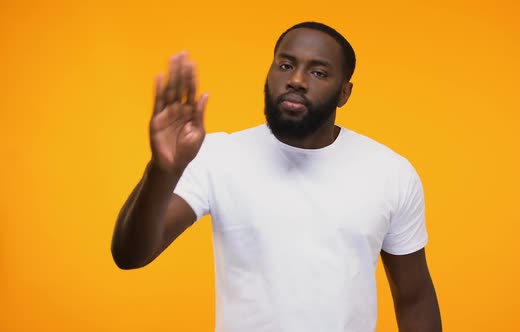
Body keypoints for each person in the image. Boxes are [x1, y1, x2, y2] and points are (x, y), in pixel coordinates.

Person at [111, 21, 442, 332]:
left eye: (318, 72)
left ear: (344, 93)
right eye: (285, 65)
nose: (296, 80)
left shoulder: (390, 172)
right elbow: (131, 254)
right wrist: (162, 170)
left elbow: (414, 297)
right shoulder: (217, 156)